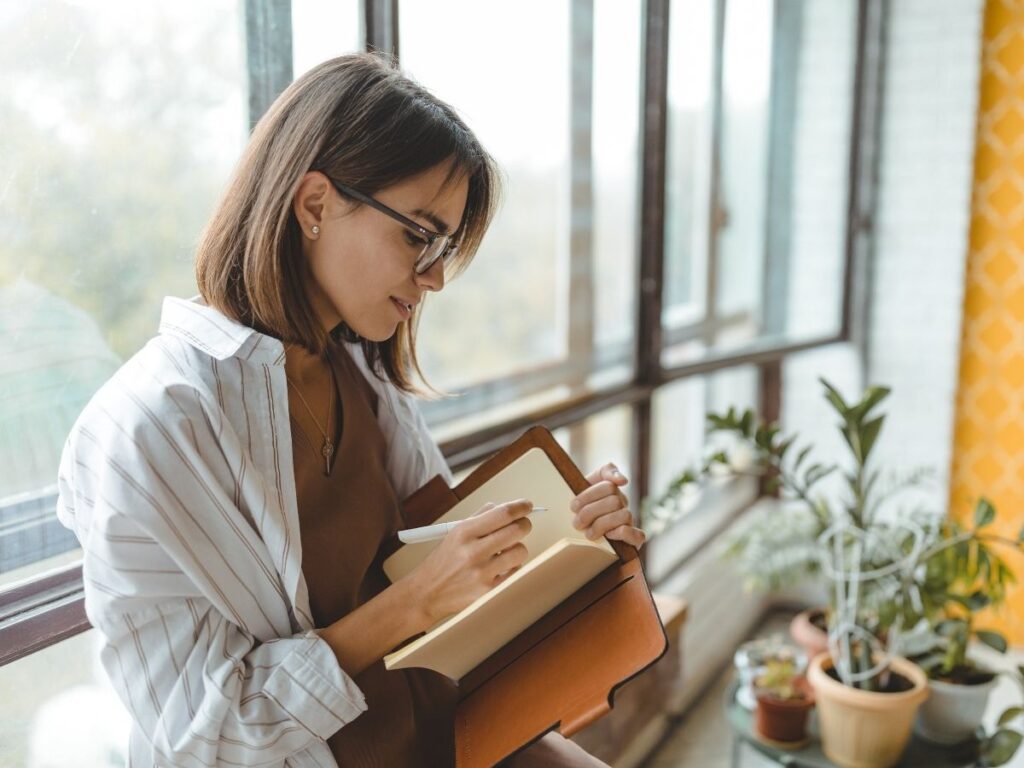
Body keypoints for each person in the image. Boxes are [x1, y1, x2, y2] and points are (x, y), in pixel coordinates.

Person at [56, 53, 646, 767]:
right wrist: (413, 606)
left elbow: (449, 573)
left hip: (451, 731)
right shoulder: (149, 428)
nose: (432, 278)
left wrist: (578, 542)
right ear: (314, 205)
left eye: (445, 248)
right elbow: (200, 739)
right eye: (418, 235)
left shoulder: (361, 374)